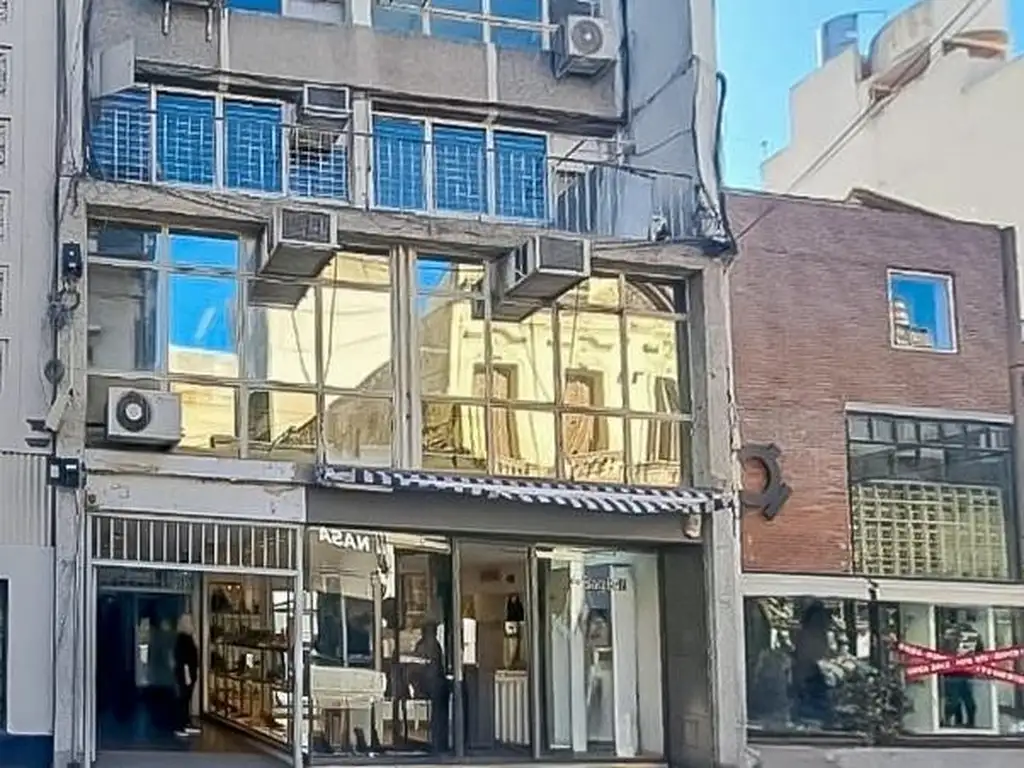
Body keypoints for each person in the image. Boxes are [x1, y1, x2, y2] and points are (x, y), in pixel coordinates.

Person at [791, 601, 832, 724]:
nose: (824, 642)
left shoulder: (820, 679)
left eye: (824, 632)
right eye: (817, 632)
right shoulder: (782, 678)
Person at [414, 621, 448, 752]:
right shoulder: (428, 645)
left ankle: (438, 740)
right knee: (438, 713)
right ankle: (438, 741)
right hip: (429, 683)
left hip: (433, 683)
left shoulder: (432, 645)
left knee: (438, 713)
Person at [173, 613, 200, 737]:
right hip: (185, 673)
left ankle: (185, 723)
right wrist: (187, 675)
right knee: (183, 699)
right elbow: (182, 659)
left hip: (188, 672)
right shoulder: (183, 639)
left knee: (186, 699)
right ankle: (180, 726)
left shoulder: (188, 637)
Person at [149, 617, 177, 733]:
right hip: (166, 677)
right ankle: (166, 724)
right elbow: (169, 657)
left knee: (158, 702)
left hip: (156, 676)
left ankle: (157, 723)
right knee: (167, 701)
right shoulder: (169, 638)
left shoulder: (155, 638)